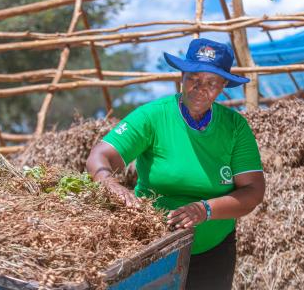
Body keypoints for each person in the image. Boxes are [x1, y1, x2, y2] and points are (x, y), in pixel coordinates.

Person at [86, 38, 265, 290]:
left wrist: (205, 209)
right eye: (193, 78)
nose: (200, 88)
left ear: (224, 85)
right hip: (151, 246)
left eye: (212, 83)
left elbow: (253, 191)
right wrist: (108, 181)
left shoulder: (235, 128)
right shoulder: (154, 116)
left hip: (213, 251)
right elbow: (100, 155)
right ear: (182, 75)